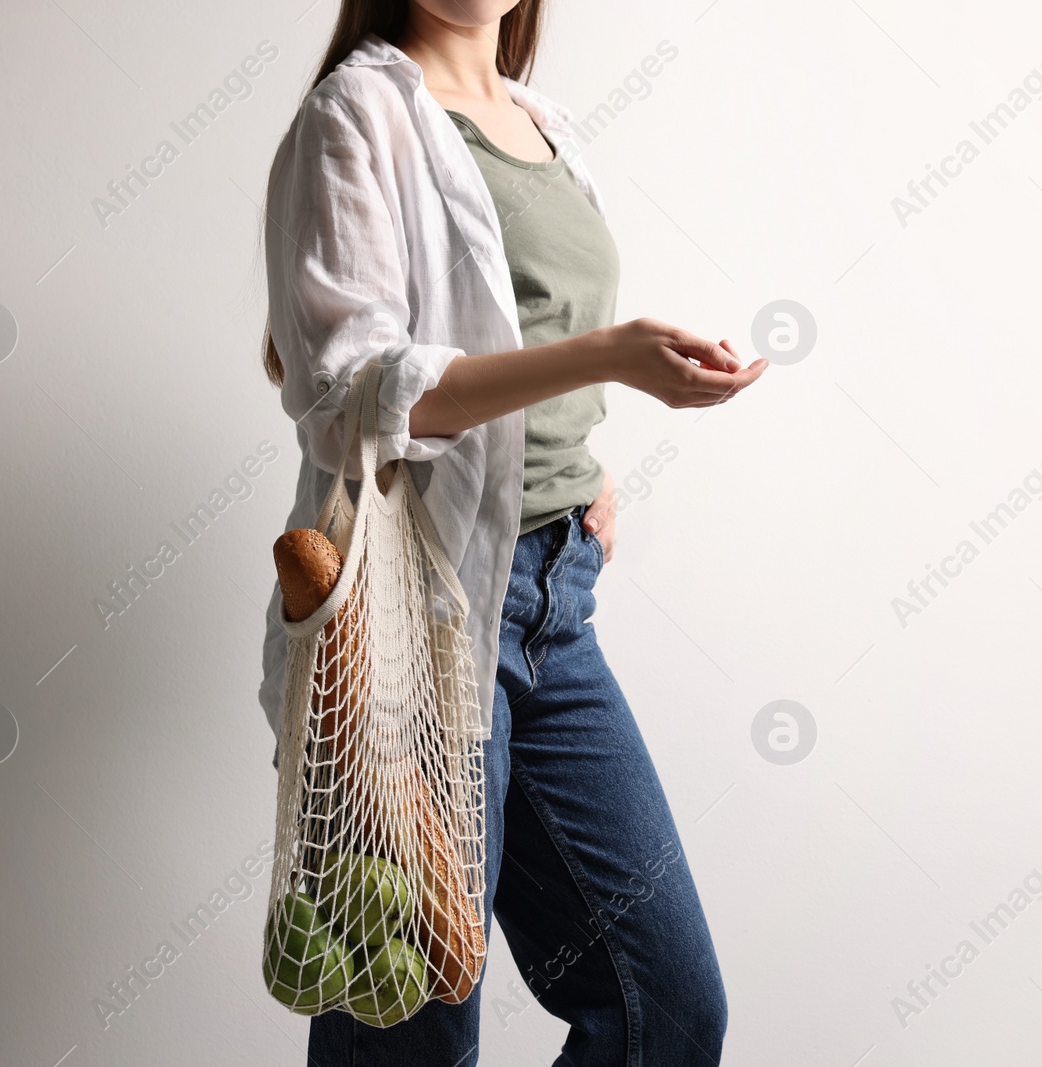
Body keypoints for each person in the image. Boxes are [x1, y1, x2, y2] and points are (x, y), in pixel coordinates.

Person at [257, 1, 767, 1062]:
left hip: (555, 602)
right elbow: (345, 392)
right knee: (413, 1031)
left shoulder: (543, 123)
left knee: (664, 1011)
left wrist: (584, 462)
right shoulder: (353, 114)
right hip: (415, 614)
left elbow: (512, 337)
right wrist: (610, 355)